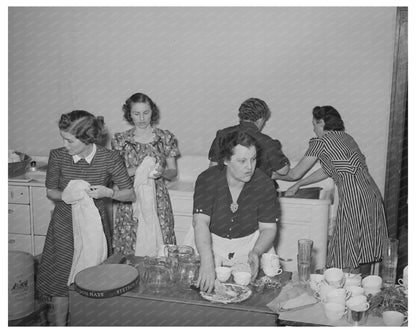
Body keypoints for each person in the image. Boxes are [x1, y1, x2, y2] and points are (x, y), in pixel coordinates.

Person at [37, 110, 135, 325]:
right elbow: (50, 191)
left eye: (70, 140)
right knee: (61, 280)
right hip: (63, 225)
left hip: (94, 229)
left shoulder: (109, 158)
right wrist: (67, 195)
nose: (66, 145)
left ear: (86, 138)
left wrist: (108, 193)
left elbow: (129, 194)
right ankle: (60, 325)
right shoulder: (58, 156)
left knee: (92, 278)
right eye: (63, 138)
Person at [274, 106, 388, 273]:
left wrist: (273, 175)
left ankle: (348, 290)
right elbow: (328, 170)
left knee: (348, 250)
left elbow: (294, 173)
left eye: (314, 124)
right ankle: (363, 291)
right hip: (371, 194)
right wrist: (299, 185)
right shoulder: (347, 138)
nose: (313, 128)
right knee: (363, 247)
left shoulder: (320, 143)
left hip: (354, 197)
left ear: (322, 123)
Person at [194, 130, 280, 293]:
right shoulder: (207, 179)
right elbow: (200, 222)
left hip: (249, 245)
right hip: (208, 244)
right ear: (226, 160)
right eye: (242, 161)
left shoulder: (264, 184)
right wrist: (207, 260)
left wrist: (256, 251)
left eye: (253, 159)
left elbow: (268, 229)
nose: (250, 167)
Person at [112, 92, 180, 256]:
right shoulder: (121, 140)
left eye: (146, 113)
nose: (141, 118)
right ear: (129, 114)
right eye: (136, 114)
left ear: (152, 112)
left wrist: (162, 171)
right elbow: (115, 175)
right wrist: (138, 169)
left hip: (158, 201)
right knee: (131, 249)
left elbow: (173, 172)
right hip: (130, 200)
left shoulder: (165, 138)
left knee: (160, 248)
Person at [208, 97, 290, 179]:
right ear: (261, 119)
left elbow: (213, 168)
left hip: (225, 187)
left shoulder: (222, 134)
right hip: (256, 189)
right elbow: (283, 171)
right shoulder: (267, 142)